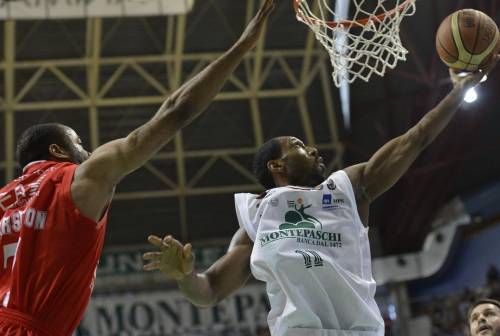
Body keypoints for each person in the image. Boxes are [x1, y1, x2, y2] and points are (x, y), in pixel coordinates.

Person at [144, 57, 499, 336]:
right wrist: (184, 277)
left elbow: (415, 140)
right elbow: (208, 292)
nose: (312, 149)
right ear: (276, 165)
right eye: (298, 146)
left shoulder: (348, 187)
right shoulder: (256, 216)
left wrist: (456, 93)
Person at [0, 1, 275, 335]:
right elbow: (174, 112)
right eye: (79, 144)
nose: (86, 152)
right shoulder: (80, 179)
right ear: (58, 150)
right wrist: (242, 45)